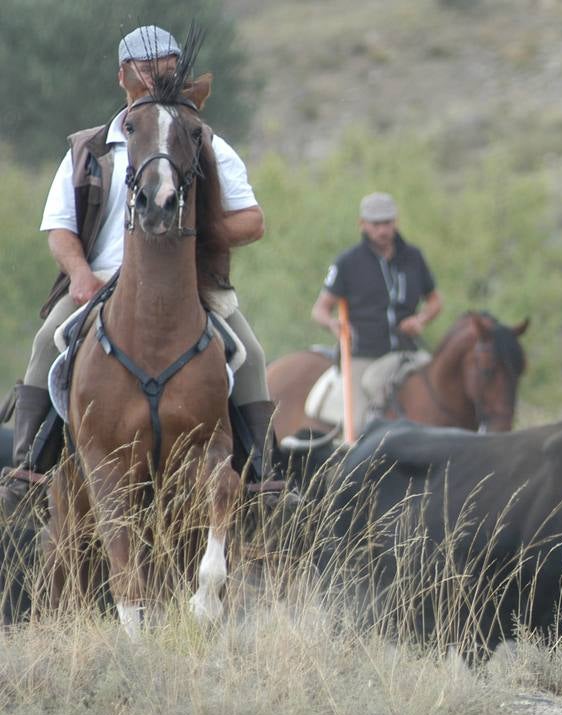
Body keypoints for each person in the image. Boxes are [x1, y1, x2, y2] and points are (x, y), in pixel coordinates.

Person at [0, 25, 287, 509]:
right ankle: (27, 469)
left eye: (171, 70)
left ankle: (263, 481)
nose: (160, 79)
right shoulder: (87, 149)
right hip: (103, 279)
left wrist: (198, 240)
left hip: (186, 283)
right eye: (149, 71)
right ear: (124, 79)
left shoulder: (203, 140)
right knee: (47, 341)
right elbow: (60, 230)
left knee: (251, 354)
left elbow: (253, 221)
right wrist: (81, 274)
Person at [311, 192, 443, 428]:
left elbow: (435, 301)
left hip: (407, 352)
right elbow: (320, 309)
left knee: (442, 390)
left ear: (396, 222)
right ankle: (356, 460)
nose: (382, 230)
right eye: (376, 224)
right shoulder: (348, 262)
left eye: (387, 222)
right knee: (359, 424)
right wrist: (334, 324)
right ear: (363, 224)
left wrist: (420, 320)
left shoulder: (413, 257)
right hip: (364, 354)